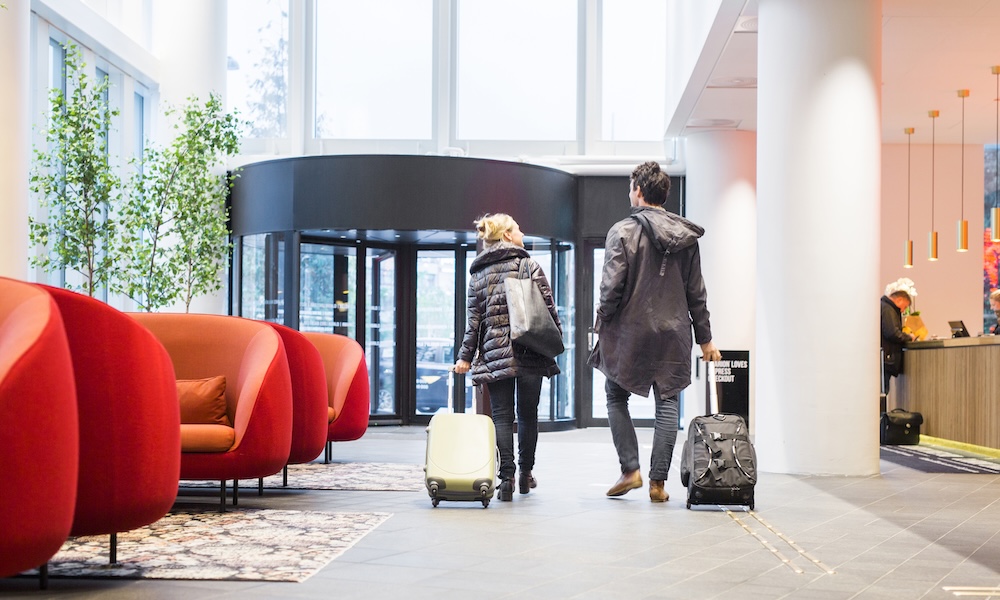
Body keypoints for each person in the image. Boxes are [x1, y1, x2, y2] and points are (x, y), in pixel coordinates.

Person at [588, 161, 721, 503]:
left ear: (639, 192)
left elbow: (609, 290)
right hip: (674, 334)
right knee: (668, 402)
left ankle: (630, 469)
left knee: (616, 396)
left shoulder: (621, 231)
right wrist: (705, 340)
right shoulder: (687, 238)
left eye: (631, 187)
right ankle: (658, 485)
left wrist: (601, 322)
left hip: (629, 333)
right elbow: (696, 293)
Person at [454, 213, 562, 502]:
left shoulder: (477, 276)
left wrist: (465, 357)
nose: (522, 231)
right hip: (530, 350)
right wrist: (556, 342)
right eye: (517, 228)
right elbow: (548, 310)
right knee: (528, 416)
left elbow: (473, 324)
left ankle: (506, 479)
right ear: (506, 236)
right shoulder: (528, 265)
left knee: (502, 416)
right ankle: (526, 475)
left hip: (495, 353)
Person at [880, 278, 916, 399]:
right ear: (899, 299)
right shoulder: (888, 309)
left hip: (884, 359)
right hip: (886, 359)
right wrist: (908, 337)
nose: (904, 310)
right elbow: (892, 333)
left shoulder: (884, 307)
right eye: (904, 307)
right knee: (882, 394)